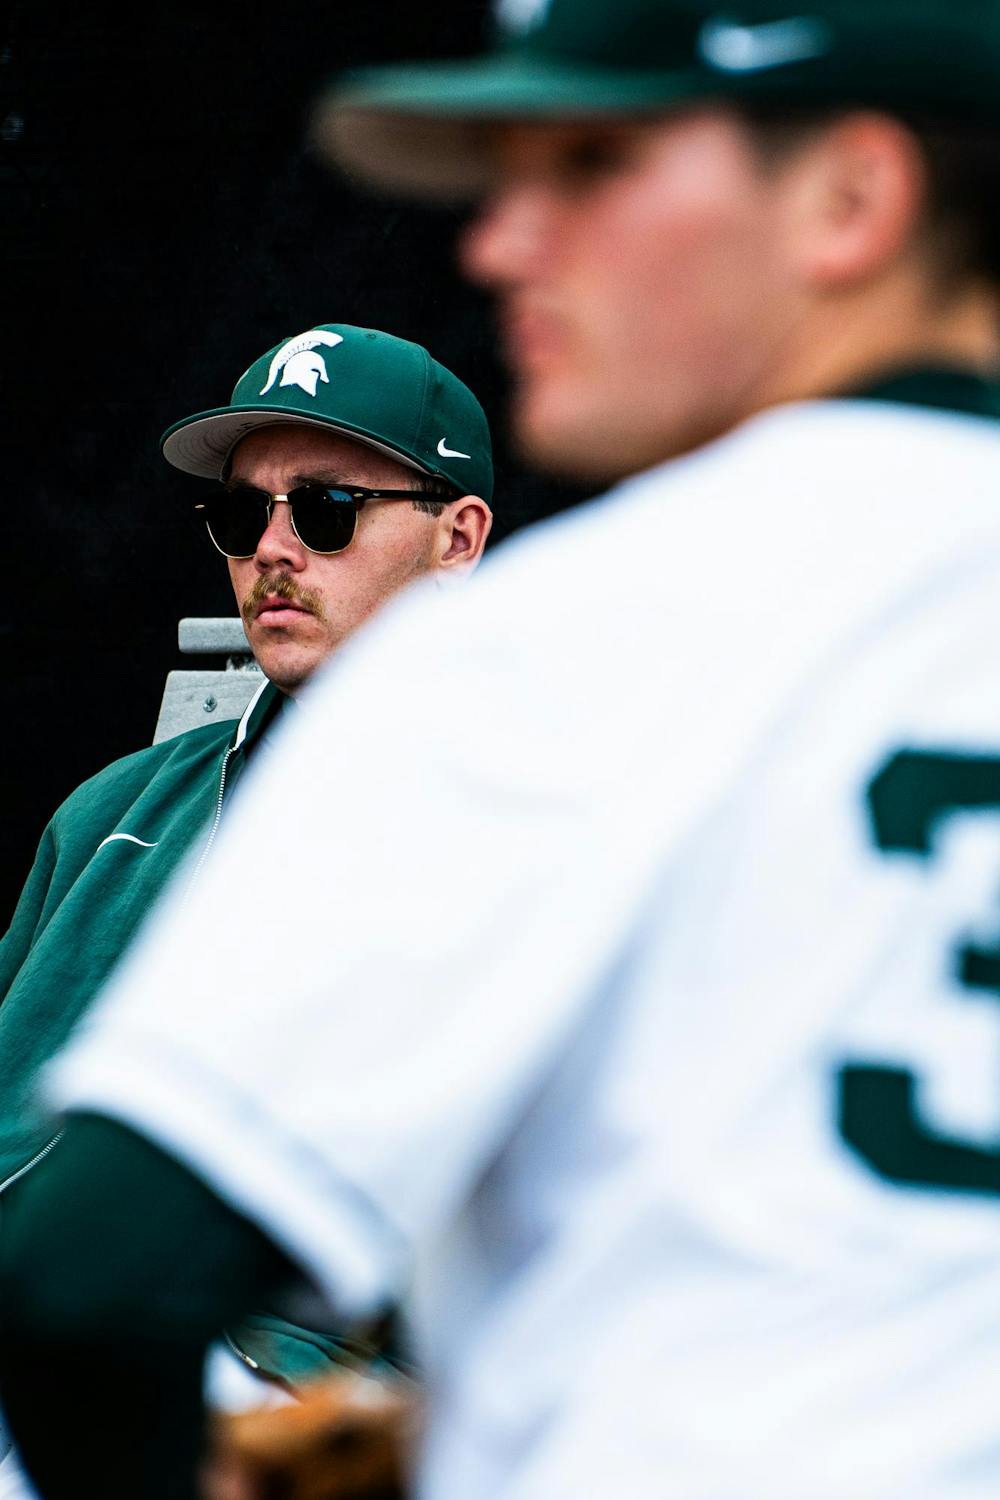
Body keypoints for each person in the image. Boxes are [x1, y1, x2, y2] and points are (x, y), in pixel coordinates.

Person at [4, 1, 1000, 1496]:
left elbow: (84, 1286)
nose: (500, 243)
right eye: (241, 516)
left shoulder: (561, 640)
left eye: (593, 164)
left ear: (852, 198)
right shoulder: (132, 808)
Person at [0, 323, 492, 1441]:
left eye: (325, 510)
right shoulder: (119, 809)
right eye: (240, 514)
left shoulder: (545, 820)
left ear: (457, 534)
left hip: (290, 1400)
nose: (273, 549)